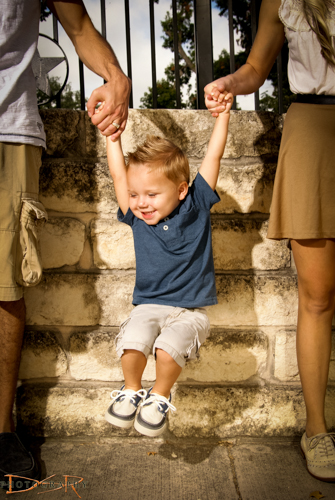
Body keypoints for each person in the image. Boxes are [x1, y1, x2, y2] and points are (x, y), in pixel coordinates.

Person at [0, 0, 131, 490]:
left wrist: (115, 76)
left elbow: (77, 24)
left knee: (5, 282)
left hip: (6, 128)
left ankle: (2, 430)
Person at [204, 0, 335, 483]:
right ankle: (317, 430)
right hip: (314, 130)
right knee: (318, 297)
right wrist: (228, 84)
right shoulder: (280, 0)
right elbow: (257, 68)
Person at [103, 90, 233, 437]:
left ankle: (159, 394)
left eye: (151, 194)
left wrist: (222, 117)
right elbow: (119, 177)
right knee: (133, 338)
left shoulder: (196, 205)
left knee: (166, 347)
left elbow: (214, 156)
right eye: (135, 195)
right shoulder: (136, 216)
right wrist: (112, 139)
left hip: (190, 311)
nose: (141, 203)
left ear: (180, 190)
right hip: (149, 305)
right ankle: (132, 389)